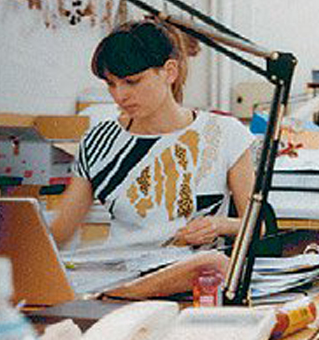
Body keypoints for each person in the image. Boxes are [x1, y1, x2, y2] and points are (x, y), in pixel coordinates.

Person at [50, 19, 255, 250]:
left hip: (194, 275)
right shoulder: (99, 141)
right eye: (111, 84)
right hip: (120, 276)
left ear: (169, 71)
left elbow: (257, 225)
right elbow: (62, 229)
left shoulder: (224, 134)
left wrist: (221, 225)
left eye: (131, 82)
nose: (120, 95)